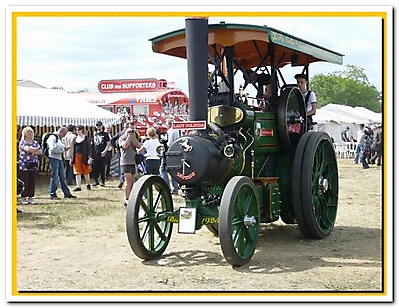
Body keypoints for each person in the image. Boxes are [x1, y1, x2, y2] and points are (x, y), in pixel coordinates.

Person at [47, 126, 77, 199]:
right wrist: (62, 149)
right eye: (64, 133)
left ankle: (67, 193)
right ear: (61, 132)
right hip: (53, 158)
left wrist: (63, 149)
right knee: (54, 176)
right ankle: (52, 193)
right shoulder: (52, 137)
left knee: (62, 176)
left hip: (59, 158)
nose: (65, 135)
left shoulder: (59, 138)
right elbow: (52, 148)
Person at [18, 126, 42, 204]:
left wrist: (31, 150)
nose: (29, 134)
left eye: (30, 132)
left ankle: (31, 197)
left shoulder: (35, 142)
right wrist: (34, 150)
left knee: (32, 181)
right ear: (24, 134)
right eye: (27, 132)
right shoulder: (22, 142)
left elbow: (40, 152)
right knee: (25, 180)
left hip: (33, 164)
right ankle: (23, 197)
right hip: (24, 165)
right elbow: (26, 149)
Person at [119, 127, 141, 207]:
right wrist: (128, 137)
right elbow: (124, 146)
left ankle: (131, 197)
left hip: (133, 162)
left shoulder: (133, 138)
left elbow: (138, 146)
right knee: (128, 181)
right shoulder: (122, 138)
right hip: (125, 162)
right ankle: (126, 198)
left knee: (132, 181)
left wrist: (134, 138)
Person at [71, 125, 93, 191]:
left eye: (79, 130)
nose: (77, 131)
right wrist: (71, 158)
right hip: (76, 156)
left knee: (86, 171)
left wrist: (90, 157)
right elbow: (72, 149)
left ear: (82, 130)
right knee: (77, 172)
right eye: (77, 130)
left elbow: (89, 148)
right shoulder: (75, 139)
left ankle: (88, 184)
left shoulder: (86, 138)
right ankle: (78, 186)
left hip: (84, 156)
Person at [160, 120, 179, 194]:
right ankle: (175, 189)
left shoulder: (170, 131)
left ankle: (167, 186)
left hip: (169, 152)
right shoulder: (177, 131)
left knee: (162, 170)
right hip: (177, 151)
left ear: (169, 124)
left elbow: (169, 143)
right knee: (174, 170)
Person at [91, 121, 110, 187]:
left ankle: (103, 181)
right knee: (94, 167)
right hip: (95, 153)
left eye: (99, 125)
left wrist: (105, 150)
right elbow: (93, 143)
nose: (98, 126)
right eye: (97, 125)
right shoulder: (95, 134)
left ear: (102, 126)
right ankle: (96, 181)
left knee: (102, 167)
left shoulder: (105, 134)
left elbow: (108, 143)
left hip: (102, 153)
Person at [111, 122, 130, 189]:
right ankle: (123, 179)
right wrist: (116, 148)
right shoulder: (121, 134)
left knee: (122, 166)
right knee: (124, 166)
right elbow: (112, 140)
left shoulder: (122, 133)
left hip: (125, 152)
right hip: (123, 152)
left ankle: (123, 179)